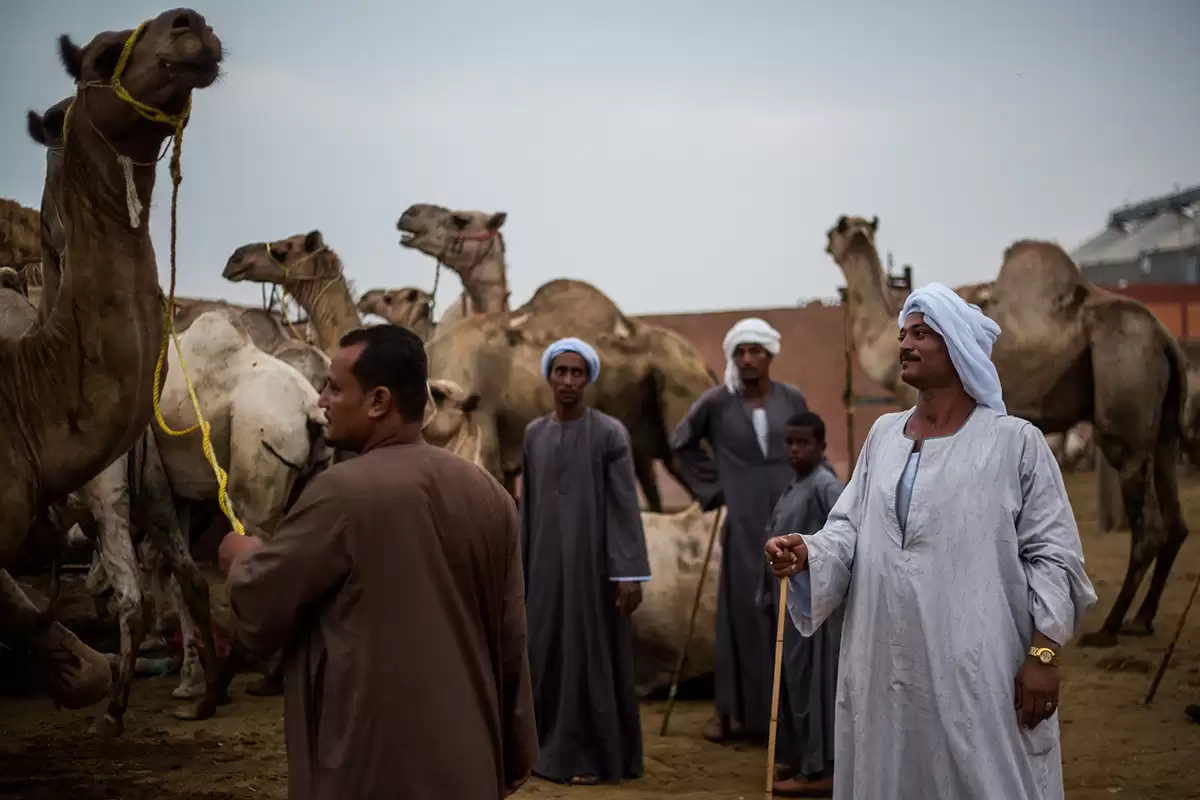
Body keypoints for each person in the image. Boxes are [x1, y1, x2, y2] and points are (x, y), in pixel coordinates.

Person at [765, 283, 1098, 800]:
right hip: (885, 663)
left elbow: (1054, 557)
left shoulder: (1014, 444)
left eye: (922, 333)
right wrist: (810, 552)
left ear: (959, 346)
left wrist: (1045, 654)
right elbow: (849, 529)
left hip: (979, 664)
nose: (905, 344)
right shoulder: (883, 436)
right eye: (903, 334)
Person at [217, 325, 538, 800]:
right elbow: (511, 639)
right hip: (470, 763)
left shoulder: (339, 494)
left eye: (334, 387)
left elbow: (262, 611)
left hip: (368, 767)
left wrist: (240, 558)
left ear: (378, 400)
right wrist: (514, 750)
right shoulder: (492, 496)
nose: (322, 401)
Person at [670, 317, 812, 744]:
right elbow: (681, 442)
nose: (749, 359)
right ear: (733, 358)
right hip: (744, 517)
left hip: (791, 512)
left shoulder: (792, 398)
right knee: (742, 611)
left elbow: (810, 445)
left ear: (770, 355)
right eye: (741, 352)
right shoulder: (716, 402)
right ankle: (731, 712)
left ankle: (791, 710)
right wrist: (713, 489)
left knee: (792, 607)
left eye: (757, 351)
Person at [519, 336, 651, 786]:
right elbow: (529, 507)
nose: (569, 381)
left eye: (578, 373)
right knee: (544, 652)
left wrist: (628, 572)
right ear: (549, 376)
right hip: (544, 571)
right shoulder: (533, 434)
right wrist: (521, 570)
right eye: (561, 371)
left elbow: (622, 506)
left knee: (588, 656)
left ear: (589, 379)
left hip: (595, 571)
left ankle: (588, 756)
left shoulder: (610, 433)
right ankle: (541, 750)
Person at [763, 411, 843, 797]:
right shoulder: (796, 484)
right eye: (789, 442)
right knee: (794, 682)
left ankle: (820, 768)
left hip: (815, 608)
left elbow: (842, 536)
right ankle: (801, 757)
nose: (795, 450)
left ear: (822, 446)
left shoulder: (825, 486)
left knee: (814, 685)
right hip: (790, 605)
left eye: (803, 443)